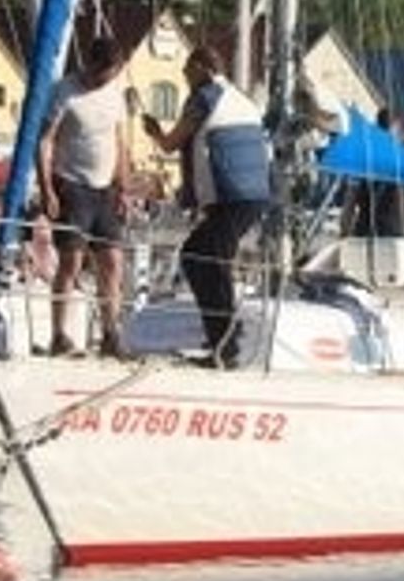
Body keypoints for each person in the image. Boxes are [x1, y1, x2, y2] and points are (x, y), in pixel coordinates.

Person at [143, 45, 271, 368]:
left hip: (230, 196)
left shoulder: (204, 97)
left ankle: (224, 343)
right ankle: (223, 337)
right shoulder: (239, 97)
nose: (185, 76)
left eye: (187, 70)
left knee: (200, 258)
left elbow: (171, 143)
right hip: (253, 195)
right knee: (211, 259)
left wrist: (154, 131)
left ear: (201, 67)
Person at [38, 36, 132, 358]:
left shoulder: (115, 94)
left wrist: (124, 186)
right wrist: (47, 188)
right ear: (90, 65)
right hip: (72, 183)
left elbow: (120, 142)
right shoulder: (65, 91)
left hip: (105, 189)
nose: (105, 80)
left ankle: (111, 333)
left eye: (112, 74)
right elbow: (46, 141)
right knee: (72, 261)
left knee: (112, 262)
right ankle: (59, 334)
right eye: (103, 74)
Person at [346, 108, 404, 238]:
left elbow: (350, 200)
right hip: (394, 234)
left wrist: (345, 231)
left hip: (363, 231)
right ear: (400, 132)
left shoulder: (363, 159)